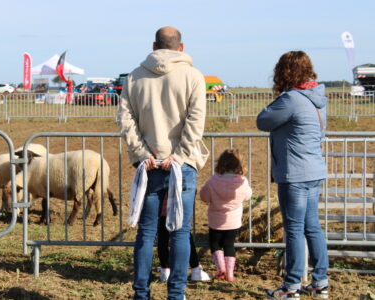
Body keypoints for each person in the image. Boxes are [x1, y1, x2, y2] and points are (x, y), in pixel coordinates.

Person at [117, 26, 208, 300]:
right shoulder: (193, 76)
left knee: (146, 233)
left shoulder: (134, 77)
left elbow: (125, 120)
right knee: (180, 232)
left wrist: (143, 154)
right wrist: (178, 157)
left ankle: (141, 294)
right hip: (182, 165)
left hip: (148, 166)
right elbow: (196, 122)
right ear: (181, 47)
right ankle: (176, 294)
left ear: (154, 46)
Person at [257, 51, 329, 300]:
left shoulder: (291, 99)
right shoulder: (317, 98)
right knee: (312, 227)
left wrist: (276, 100)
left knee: (295, 229)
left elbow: (262, 121)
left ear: (285, 72)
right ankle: (320, 281)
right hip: (314, 171)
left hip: (295, 173)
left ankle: (291, 286)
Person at [199, 149, 252, 282]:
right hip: (233, 221)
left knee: (215, 244)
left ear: (221, 163)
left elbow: (204, 197)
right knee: (229, 244)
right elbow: (248, 195)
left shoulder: (213, 181)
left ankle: (220, 268)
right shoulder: (242, 181)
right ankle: (229, 273)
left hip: (215, 221)